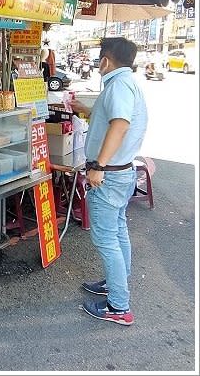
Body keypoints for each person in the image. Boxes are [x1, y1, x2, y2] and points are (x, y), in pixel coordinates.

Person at [70, 37, 148, 326]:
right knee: (117, 230)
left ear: (105, 60)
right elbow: (111, 118)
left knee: (106, 239)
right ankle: (117, 284)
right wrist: (85, 109)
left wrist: (98, 166)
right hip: (121, 173)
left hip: (110, 175)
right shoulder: (126, 84)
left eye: (98, 59)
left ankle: (119, 306)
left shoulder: (118, 85)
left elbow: (120, 123)